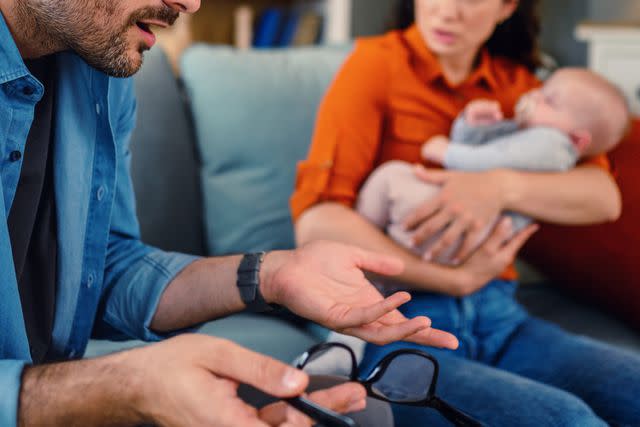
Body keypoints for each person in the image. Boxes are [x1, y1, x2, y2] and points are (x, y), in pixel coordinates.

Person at [0, 0, 461, 426]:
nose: (192, 3)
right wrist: (126, 386)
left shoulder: (100, 79)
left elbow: (102, 271)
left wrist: (272, 274)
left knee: (367, 412)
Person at [292, 0, 640, 425]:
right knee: (568, 419)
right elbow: (316, 225)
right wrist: (452, 279)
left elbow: (603, 197)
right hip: (400, 321)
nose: (448, 11)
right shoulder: (375, 66)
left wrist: (495, 186)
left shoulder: (521, 89)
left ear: (506, 7)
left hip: (502, 319)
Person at [357, 68, 630, 265]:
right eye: (541, 89)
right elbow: (482, 152)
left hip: (466, 227)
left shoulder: (551, 144)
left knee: (389, 177)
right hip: (465, 231)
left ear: (578, 138)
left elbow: (487, 163)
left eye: (549, 100)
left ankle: (358, 245)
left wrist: (446, 152)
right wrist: (471, 125)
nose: (533, 95)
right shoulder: (532, 134)